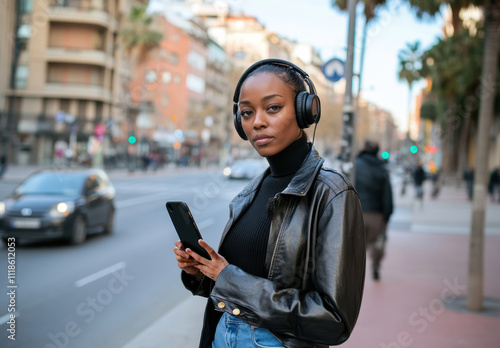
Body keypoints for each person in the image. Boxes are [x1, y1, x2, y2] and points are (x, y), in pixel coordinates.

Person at [173, 59, 366, 348]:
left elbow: (333, 320)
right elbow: (239, 285)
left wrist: (230, 278)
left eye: (273, 107)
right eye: (247, 113)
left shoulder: (333, 194)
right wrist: (201, 274)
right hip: (221, 335)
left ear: (305, 111)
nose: (257, 122)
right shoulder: (249, 193)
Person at [354, 140, 393, 281]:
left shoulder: (355, 166)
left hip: (357, 213)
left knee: (357, 246)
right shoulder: (382, 168)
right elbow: (388, 195)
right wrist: (386, 216)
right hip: (377, 214)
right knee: (377, 242)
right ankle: (375, 265)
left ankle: (355, 273)